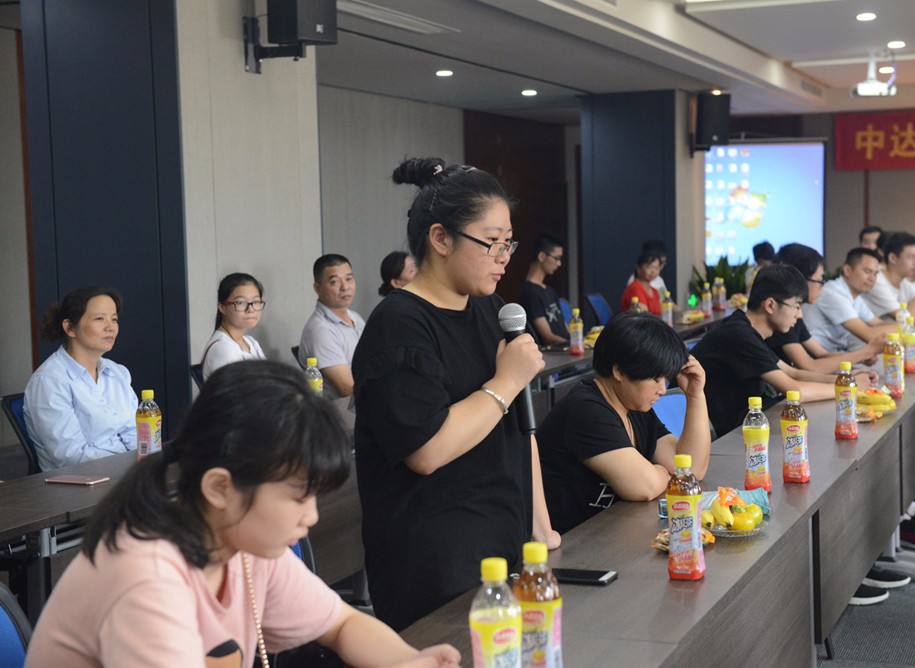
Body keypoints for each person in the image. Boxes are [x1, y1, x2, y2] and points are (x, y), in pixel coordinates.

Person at [25, 361, 460, 668]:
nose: (311, 517)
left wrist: (410, 661)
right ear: (220, 488)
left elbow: (342, 624)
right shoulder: (148, 576)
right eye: (298, 497)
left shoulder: (242, 543)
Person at [352, 157, 559, 632]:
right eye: (492, 242)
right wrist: (505, 382)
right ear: (441, 239)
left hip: (504, 543)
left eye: (509, 243)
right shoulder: (399, 325)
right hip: (435, 565)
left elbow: (520, 429)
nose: (504, 257)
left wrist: (541, 525)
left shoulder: (492, 309)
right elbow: (426, 450)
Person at [537, 313, 711, 534]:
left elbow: (690, 469)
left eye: (665, 378)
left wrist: (696, 396)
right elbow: (644, 487)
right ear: (619, 371)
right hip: (572, 546)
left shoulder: (634, 407)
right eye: (655, 378)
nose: (662, 389)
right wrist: (663, 473)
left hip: (610, 535)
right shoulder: (585, 410)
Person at [691, 264, 875, 436]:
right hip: (724, 436)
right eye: (796, 306)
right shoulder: (739, 334)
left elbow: (793, 373)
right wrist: (850, 388)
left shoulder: (748, 329)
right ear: (770, 305)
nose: (799, 315)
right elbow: (795, 391)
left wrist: (847, 378)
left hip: (743, 425)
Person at [23, 286, 138, 471]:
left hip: (126, 473)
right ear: (70, 328)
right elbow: (71, 456)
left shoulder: (118, 373)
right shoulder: (49, 381)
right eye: (99, 319)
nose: (110, 327)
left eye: (114, 319)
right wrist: (128, 467)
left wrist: (145, 464)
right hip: (81, 479)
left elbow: (134, 434)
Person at [769, 243, 885, 372]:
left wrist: (858, 360)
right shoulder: (781, 316)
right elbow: (809, 367)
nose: (822, 286)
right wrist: (866, 352)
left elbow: (821, 354)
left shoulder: (795, 315)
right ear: (799, 280)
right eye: (819, 280)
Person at [802, 248, 900, 353]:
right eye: (867, 271)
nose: (872, 279)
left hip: (837, 354)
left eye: (875, 274)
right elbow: (868, 334)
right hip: (818, 356)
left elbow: (877, 324)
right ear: (847, 270)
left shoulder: (855, 296)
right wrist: (907, 328)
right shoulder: (833, 293)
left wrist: (907, 327)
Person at [298, 254, 365, 399]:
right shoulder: (320, 330)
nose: (345, 287)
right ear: (318, 288)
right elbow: (347, 389)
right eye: (334, 282)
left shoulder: (356, 318)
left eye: (349, 279)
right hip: (343, 408)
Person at [860, 231, 915, 331]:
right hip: (864, 339)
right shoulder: (876, 282)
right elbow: (907, 320)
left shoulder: (905, 283)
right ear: (893, 258)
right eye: (911, 257)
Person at [201, 273, 266, 380]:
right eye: (240, 302)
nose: (251, 309)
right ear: (222, 307)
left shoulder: (251, 342)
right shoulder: (223, 348)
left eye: (256, 301)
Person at [518, 233, 570, 345]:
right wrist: (573, 344)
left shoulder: (550, 291)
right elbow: (548, 337)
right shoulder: (530, 293)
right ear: (541, 256)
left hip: (566, 348)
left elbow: (564, 327)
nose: (559, 263)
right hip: (554, 352)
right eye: (556, 258)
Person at [619, 250, 663, 315]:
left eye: (656, 268)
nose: (653, 271)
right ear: (638, 269)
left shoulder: (655, 291)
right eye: (649, 267)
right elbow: (643, 316)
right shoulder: (635, 288)